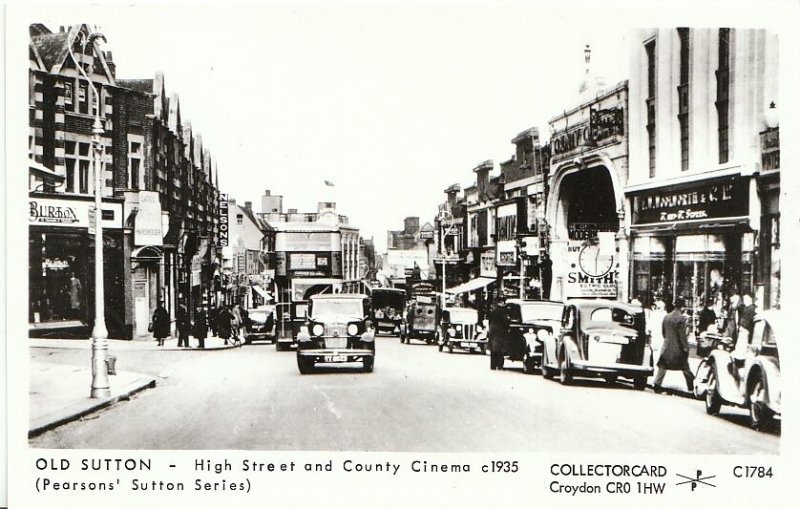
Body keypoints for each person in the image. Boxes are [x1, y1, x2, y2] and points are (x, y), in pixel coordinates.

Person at [653, 298, 694, 393]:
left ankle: (657, 384)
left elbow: (663, 332)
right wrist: (686, 348)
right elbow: (682, 336)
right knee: (685, 367)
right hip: (677, 349)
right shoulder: (681, 319)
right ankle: (691, 386)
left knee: (663, 366)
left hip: (666, 347)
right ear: (682, 307)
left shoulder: (666, 317)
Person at [488, 295, 509, 370]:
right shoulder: (503, 312)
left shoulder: (493, 311)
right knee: (500, 349)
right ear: (502, 302)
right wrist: (507, 328)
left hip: (492, 330)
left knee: (493, 349)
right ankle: (499, 365)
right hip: (500, 331)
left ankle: (493, 365)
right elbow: (505, 322)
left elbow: (489, 321)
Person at [647, 299, 667, 363]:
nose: (664, 308)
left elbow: (649, 328)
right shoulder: (664, 315)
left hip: (657, 337)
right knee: (659, 353)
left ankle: (656, 367)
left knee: (656, 354)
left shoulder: (654, 314)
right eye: (663, 307)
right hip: (659, 337)